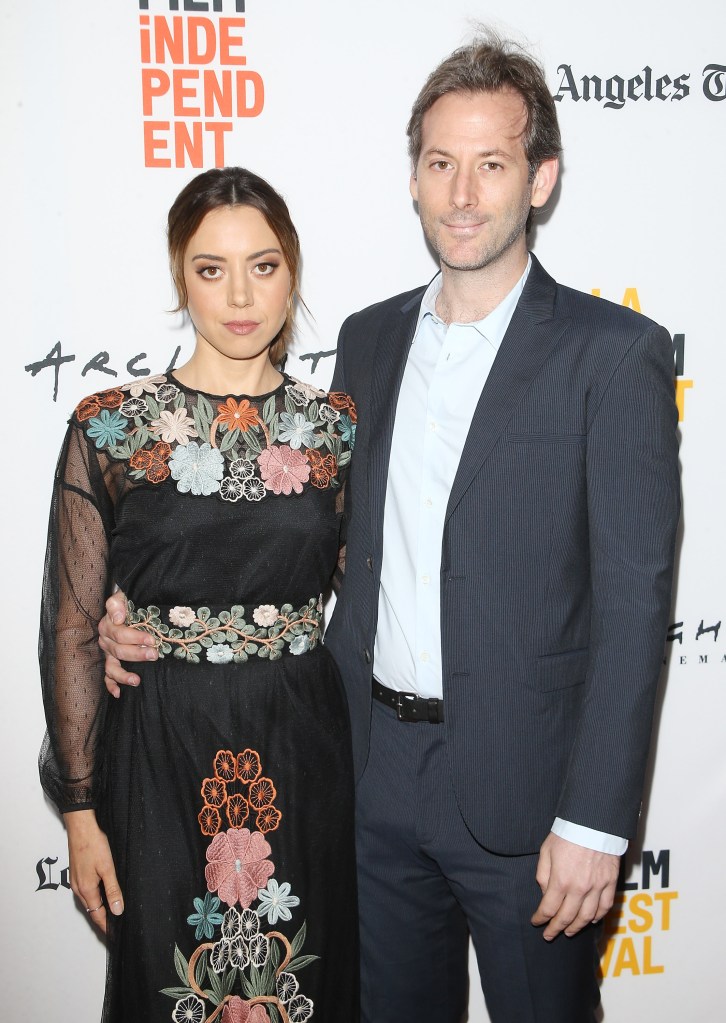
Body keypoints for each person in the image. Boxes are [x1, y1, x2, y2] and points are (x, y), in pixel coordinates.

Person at [98, 33, 681, 1023]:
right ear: (412, 176)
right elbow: (301, 538)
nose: (461, 193)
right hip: (367, 778)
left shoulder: (613, 355)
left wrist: (595, 819)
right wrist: (141, 610)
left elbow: (635, 608)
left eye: (491, 164)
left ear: (539, 179)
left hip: (531, 795)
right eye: (440, 163)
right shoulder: (367, 341)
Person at [39, 166, 359, 1023]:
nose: (241, 294)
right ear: (181, 275)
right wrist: (79, 812)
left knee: (306, 989)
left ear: (293, 271)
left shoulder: (334, 430)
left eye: (264, 265)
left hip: (302, 747)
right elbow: (71, 625)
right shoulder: (110, 426)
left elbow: (366, 592)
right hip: (159, 750)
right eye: (212, 269)